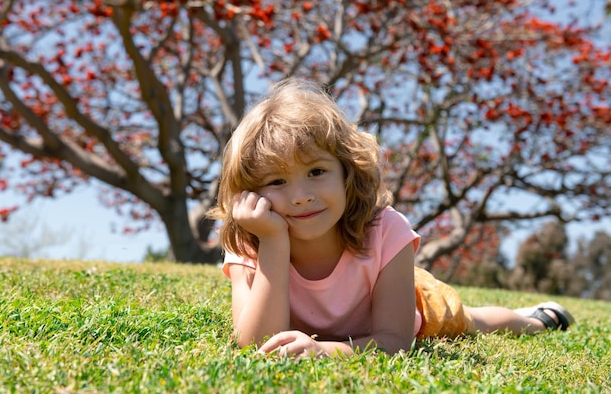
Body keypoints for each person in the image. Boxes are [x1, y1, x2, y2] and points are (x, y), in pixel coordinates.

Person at [206, 78, 575, 359]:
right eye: (277, 181)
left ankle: (534, 319)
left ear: (347, 171)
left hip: (414, 307)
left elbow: (395, 340)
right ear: (248, 192)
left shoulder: (385, 230)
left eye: (316, 172)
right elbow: (254, 345)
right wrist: (273, 243)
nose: (301, 195)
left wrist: (326, 352)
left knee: (472, 322)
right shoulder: (250, 239)